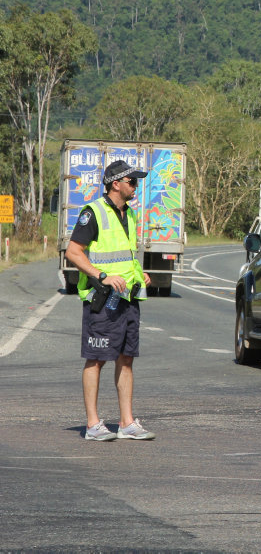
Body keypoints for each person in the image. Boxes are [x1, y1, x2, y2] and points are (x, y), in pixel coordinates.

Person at [65, 160, 155, 441]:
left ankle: (126, 423)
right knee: (96, 359)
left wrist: (142, 274)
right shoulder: (93, 213)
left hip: (128, 299)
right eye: (132, 182)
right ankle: (93, 425)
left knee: (126, 359)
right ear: (116, 184)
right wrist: (101, 275)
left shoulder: (128, 214)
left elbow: (125, 255)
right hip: (102, 300)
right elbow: (73, 252)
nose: (136, 186)